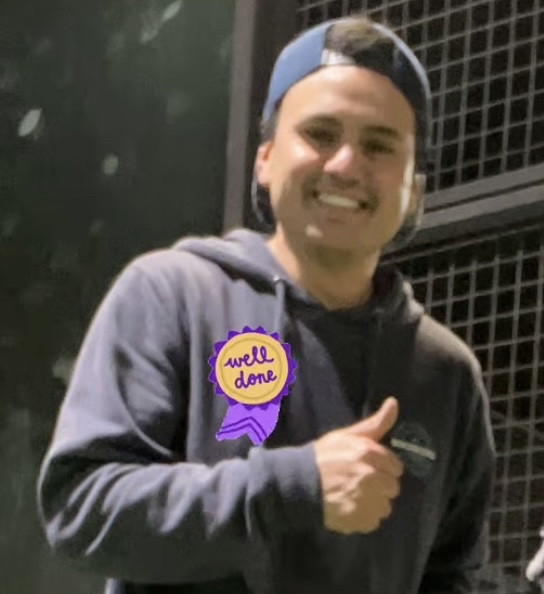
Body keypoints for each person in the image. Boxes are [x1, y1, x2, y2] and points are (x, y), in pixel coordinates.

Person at [37, 15, 496, 594]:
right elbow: (81, 507)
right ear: (266, 159)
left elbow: (452, 575)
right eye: (321, 134)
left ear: (415, 192)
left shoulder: (448, 376)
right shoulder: (173, 295)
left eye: (379, 145)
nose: (346, 164)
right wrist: (295, 487)